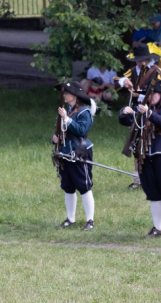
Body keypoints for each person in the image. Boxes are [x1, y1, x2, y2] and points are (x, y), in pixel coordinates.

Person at [119, 80, 161, 238]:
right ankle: (157, 228)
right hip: (146, 156)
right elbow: (125, 120)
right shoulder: (144, 109)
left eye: (153, 94)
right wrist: (124, 112)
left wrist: (148, 112)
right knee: (153, 193)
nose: (150, 97)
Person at [118, 44, 161, 190]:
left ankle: (154, 178)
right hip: (138, 111)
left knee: (153, 144)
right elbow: (120, 79)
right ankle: (138, 179)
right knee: (136, 145)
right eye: (137, 60)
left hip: (154, 111)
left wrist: (139, 94)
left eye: (141, 60)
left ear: (147, 59)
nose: (139, 63)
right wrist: (125, 82)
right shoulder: (134, 70)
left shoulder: (158, 72)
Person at [51, 82, 97, 230]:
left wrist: (66, 119)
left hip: (79, 151)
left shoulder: (85, 112)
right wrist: (56, 138)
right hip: (65, 151)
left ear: (75, 96)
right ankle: (71, 218)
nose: (64, 95)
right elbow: (60, 130)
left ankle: (90, 220)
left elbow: (81, 130)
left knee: (84, 186)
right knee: (68, 187)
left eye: (67, 93)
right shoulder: (67, 110)